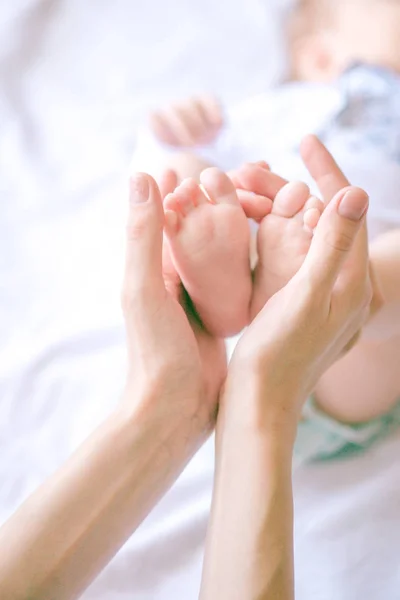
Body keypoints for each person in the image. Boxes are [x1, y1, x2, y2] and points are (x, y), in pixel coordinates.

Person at [0, 138, 371, 599]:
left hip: (334, 362)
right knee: (187, 170)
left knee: (376, 264)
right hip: (315, 351)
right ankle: (282, 292)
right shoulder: (288, 102)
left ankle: (287, 291)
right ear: (313, 59)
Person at [132, 0, 400, 462]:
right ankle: (232, 288)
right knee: (192, 178)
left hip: (351, 356)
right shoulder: (286, 109)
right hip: (241, 316)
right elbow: (168, 182)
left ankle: (337, 295)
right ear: (320, 57)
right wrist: (175, 139)